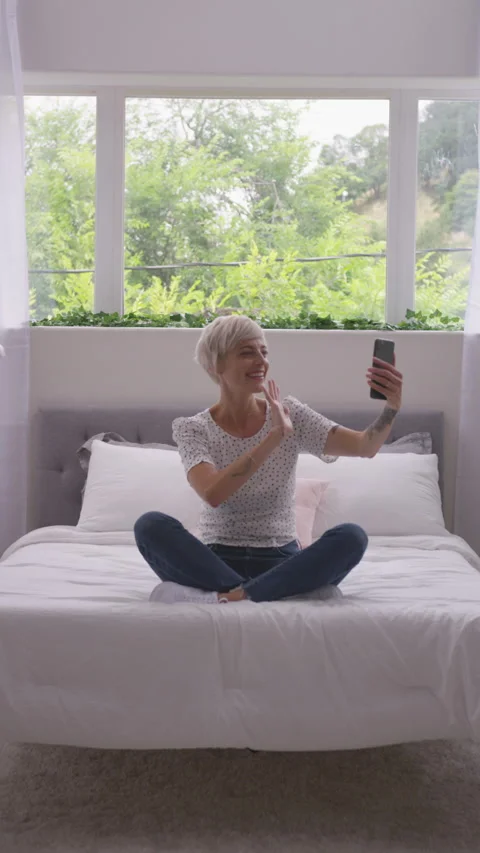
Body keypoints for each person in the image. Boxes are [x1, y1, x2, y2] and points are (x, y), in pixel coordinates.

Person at [134, 315, 403, 605]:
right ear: (216, 365)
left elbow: (365, 446)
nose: (261, 361)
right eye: (247, 353)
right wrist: (273, 437)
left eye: (264, 352)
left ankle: (239, 594)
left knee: (352, 536)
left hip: (281, 559)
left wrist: (392, 406)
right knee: (149, 526)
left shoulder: (292, 413)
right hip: (214, 561)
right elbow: (213, 493)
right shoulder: (192, 428)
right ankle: (265, 591)